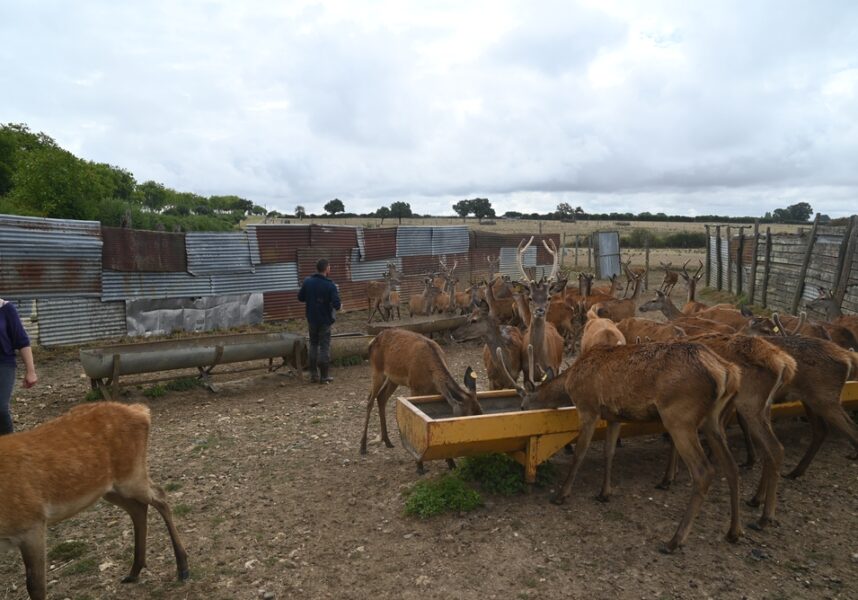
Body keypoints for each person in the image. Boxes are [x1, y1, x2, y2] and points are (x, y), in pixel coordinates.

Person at [297, 258, 341, 384]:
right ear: (326, 268)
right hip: (325, 320)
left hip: (312, 319)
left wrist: (312, 299)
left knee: (313, 345)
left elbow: (300, 297)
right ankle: (324, 376)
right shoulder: (330, 285)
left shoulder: (308, 282)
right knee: (324, 347)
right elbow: (337, 305)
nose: (330, 269)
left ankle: (313, 375)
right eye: (330, 267)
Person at [0, 298, 37, 435]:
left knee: (0, 409)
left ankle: (8, 445)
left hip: (3, 364)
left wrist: (31, 371)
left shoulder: (6, 309)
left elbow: (21, 340)